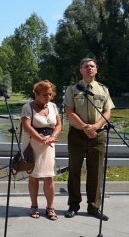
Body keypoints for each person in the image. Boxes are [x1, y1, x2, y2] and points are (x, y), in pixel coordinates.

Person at [63, 58, 115, 221]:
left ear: (96, 70)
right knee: (74, 171)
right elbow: (69, 111)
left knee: (96, 172)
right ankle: (73, 205)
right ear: (81, 70)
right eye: (86, 66)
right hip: (77, 135)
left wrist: (95, 127)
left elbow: (107, 111)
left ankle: (93, 207)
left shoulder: (103, 90)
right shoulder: (73, 89)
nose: (89, 69)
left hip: (97, 135)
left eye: (92, 66)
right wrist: (86, 127)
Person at [21, 80, 61, 220]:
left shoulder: (53, 106)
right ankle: (34, 206)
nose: (48, 97)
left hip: (49, 145)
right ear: (37, 94)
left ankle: (50, 208)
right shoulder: (28, 107)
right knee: (34, 176)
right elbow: (27, 127)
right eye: (45, 95)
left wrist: (52, 137)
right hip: (33, 145)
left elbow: (59, 125)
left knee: (49, 177)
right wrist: (41, 139)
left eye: (51, 94)